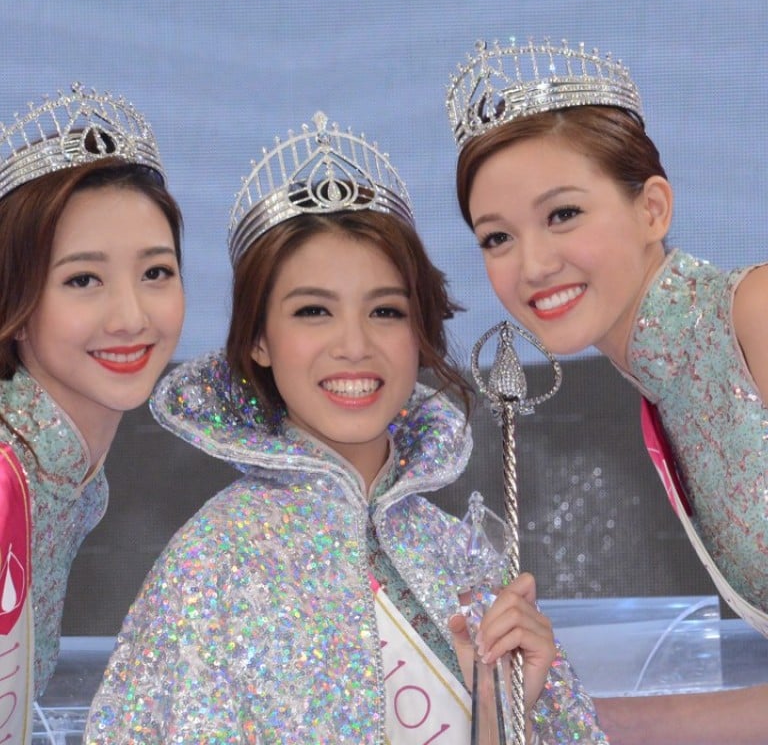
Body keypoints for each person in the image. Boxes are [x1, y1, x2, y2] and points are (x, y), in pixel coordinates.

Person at [85, 111, 607, 744]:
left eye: (385, 311)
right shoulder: (212, 563)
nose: (354, 346)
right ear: (258, 340)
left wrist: (503, 711)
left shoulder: (461, 559)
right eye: (313, 311)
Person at [445, 37, 768, 744]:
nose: (531, 264)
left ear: (653, 208)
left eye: (563, 214)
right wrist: (545, 718)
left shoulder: (756, 315)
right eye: (496, 237)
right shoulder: (666, 392)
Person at [0, 83, 184, 740]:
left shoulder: (66, 464)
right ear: (16, 303)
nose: (131, 316)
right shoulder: (7, 471)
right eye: (83, 279)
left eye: (156, 272)